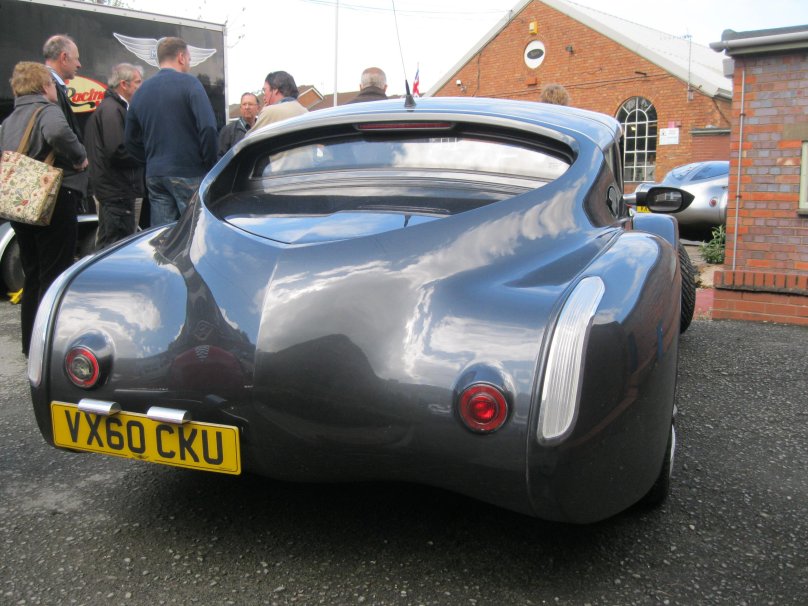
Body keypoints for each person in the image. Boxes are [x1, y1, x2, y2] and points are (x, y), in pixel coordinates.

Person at [0, 62, 88, 356]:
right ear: (44, 86)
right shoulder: (47, 111)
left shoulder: (12, 118)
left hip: (21, 204)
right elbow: (60, 135)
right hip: (51, 199)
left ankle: (31, 345)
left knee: (33, 273)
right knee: (55, 273)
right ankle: (50, 347)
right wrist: (79, 159)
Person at [125, 37, 218, 226]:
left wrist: (151, 159)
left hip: (155, 174)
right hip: (189, 171)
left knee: (163, 238)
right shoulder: (190, 84)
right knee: (194, 234)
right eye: (189, 59)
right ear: (181, 57)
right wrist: (209, 164)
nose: (189, 64)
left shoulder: (141, 92)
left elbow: (129, 140)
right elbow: (208, 127)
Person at [84, 63, 145, 249]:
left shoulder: (113, 108)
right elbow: (118, 150)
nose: (140, 87)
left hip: (115, 190)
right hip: (117, 191)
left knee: (112, 243)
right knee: (116, 246)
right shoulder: (112, 110)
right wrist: (146, 154)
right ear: (123, 84)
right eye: (137, 82)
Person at [42, 34, 83, 141]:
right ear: (64, 58)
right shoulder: (49, 88)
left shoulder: (43, 83)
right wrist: (79, 154)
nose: (79, 65)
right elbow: (57, 134)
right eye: (76, 59)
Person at [218, 92, 259, 158]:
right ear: (240, 108)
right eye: (244, 104)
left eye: (250, 104)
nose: (247, 107)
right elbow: (221, 158)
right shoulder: (228, 131)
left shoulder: (262, 128)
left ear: (257, 108)